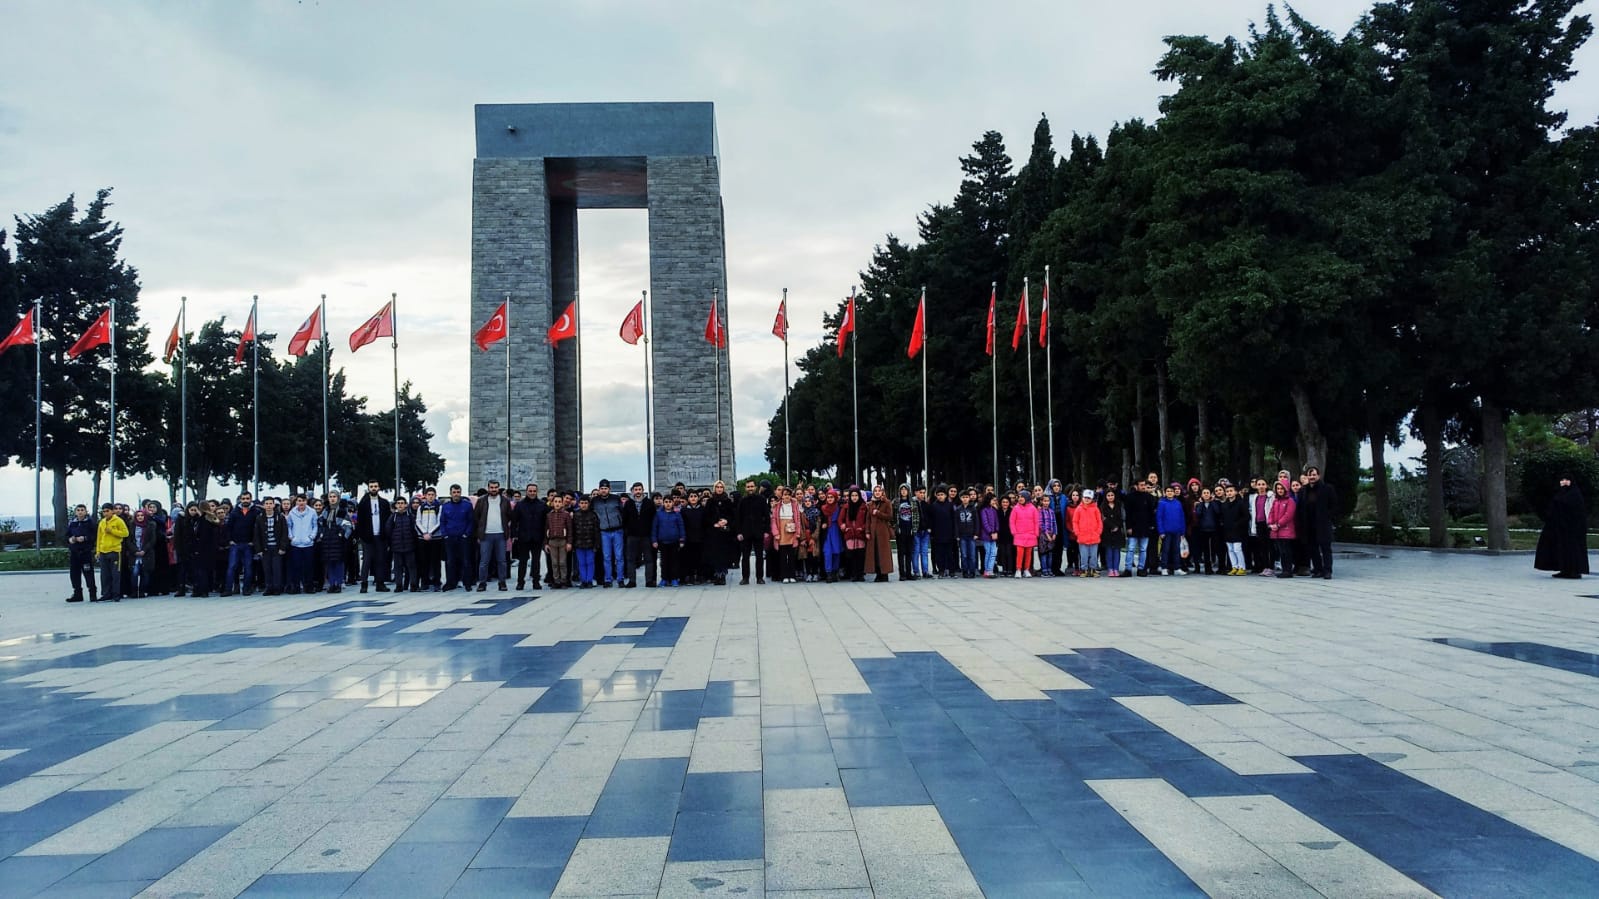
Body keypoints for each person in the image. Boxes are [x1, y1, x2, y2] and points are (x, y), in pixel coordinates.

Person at [1535, 475, 1591, 580]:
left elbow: (1575, 512)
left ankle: (1574, 571)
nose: (1564, 482)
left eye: (1566, 480)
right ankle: (1564, 570)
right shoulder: (1562, 493)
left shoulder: (1574, 495)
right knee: (1561, 548)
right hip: (1561, 528)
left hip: (1572, 529)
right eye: (1562, 480)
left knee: (1572, 549)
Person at [1297, 466, 1338, 580]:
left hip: (1323, 525)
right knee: (1312, 549)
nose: (1312, 477)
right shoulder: (1303, 490)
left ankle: (1327, 570)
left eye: (1314, 475)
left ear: (1318, 476)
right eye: (1310, 475)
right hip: (1308, 525)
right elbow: (1300, 508)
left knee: (1325, 549)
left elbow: (1334, 506)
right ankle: (1318, 569)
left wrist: (1327, 516)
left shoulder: (1327, 488)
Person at [474, 479, 512, 591]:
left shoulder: (505, 501)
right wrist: (478, 533)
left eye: (495, 487)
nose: (493, 489)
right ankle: (482, 583)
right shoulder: (481, 501)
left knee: (502, 561)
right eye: (491, 487)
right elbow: (476, 517)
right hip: (485, 535)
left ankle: (502, 582)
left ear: (498, 488)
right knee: (484, 561)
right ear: (488, 488)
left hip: (500, 534)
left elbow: (509, 515)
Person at [357, 480, 392, 593]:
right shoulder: (363, 503)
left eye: (375, 486)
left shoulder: (384, 503)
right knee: (367, 560)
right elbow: (360, 521)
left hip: (380, 536)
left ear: (379, 488)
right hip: (368, 537)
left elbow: (388, 520)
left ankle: (380, 583)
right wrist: (362, 536)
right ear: (368, 488)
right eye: (371, 486)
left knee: (380, 560)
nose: (373, 488)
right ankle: (364, 583)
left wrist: (386, 535)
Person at [589, 479, 625, 588]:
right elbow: (591, 514)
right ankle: (608, 579)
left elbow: (622, 512)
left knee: (619, 556)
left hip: (617, 530)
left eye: (605, 488)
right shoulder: (595, 501)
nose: (604, 490)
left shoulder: (616, 499)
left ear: (609, 489)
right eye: (602, 488)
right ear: (599, 489)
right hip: (604, 532)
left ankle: (620, 579)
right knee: (607, 557)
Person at [438, 484, 473, 591]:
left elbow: (471, 521)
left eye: (458, 492)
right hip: (450, 538)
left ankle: (467, 583)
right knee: (450, 561)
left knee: (466, 561)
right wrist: (445, 534)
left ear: (461, 493)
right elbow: (442, 521)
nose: (456, 494)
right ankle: (450, 583)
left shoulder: (467, 505)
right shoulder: (445, 506)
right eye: (454, 492)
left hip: (463, 538)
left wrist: (466, 534)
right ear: (450, 493)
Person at [622, 482, 656, 589]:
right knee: (631, 559)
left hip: (646, 536)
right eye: (636, 490)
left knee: (648, 559)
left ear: (643, 490)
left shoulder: (649, 503)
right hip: (632, 536)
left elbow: (653, 519)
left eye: (639, 489)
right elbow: (624, 519)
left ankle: (649, 581)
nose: (638, 492)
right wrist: (628, 532)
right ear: (633, 491)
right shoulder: (628, 504)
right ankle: (632, 581)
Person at [770, 485, 807, 584]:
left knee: (791, 556)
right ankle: (784, 576)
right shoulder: (777, 506)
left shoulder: (794, 505)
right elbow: (773, 520)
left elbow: (798, 520)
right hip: (781, 532)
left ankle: (792, 575)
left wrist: (798, 533)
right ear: (781, 496)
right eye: (785, 494)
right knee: (782, 556)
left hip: (792, 531)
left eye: (788, 495)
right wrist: (776, 533)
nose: (786, 497)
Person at [514, 482, 547, 591]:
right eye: (530, 491)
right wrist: (514, 535)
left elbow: (545, 522)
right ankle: (520, 582)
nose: (532, 493)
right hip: (523, 537)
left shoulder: (542, 505)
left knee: (536, 561)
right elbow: (514, 521)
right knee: (523, 561)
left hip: (537, 537)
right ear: (526, 492)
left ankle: (536, 582)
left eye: (534, 491)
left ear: (537, 492)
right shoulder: (520, 505)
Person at [735, 480, 769, 585]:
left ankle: (760, 577)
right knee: (745, 557)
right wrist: (739, 532)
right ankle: (745, 578)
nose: (750, 488)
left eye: (752, 486)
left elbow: (766, 516)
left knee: (759, 556)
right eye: (748, 487)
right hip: (745, 533)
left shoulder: (762, 500)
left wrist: (766, 531)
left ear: (755, 487)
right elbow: (738, 518)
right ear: (745, 488)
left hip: (759, 532)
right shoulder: (742, 501)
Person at [252, 497, 288, 596]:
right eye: (266, 503)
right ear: (264, 505)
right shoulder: (260, 518)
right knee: (267, 569)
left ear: (273, 505)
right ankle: (269, 587)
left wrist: (282, 547)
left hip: (276, 547)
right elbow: (257, 535)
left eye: (270, 503)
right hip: (265, 548)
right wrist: (258, 549)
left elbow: (284, 533)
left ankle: (277, 587)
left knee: (277, 569)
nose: (268, 506)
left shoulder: (280, 517)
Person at [223, 492, 257, 596]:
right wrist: (230, 540)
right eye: (243, 498)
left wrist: (253, 541)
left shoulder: (255, 512)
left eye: (247, 498)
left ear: (251, 499)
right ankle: (228, 589)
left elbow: (257, 529)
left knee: (248, 567)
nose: (245, 500)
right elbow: (228, 527)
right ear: (240, 500)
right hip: (235, 544)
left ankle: (246, 589)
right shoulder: (234, 512)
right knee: (232, 567)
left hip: (248, 544)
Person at [286, 494, 319, 595]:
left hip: (308, 544)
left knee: (308, 567)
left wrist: (311, 537)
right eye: (299, 501)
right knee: (296, 567)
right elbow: (289, 526)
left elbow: (315, 526)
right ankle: (295, 587)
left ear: (306, 501)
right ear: (296, 502)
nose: (301, 503)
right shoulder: (292, 513)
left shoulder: (312, 512)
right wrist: (291, 537)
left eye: (303, 501)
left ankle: (309, 586)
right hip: (296, 544)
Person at [704, 481, 736, 586]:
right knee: (715, 553)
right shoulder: (710, 501)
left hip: (725, 532)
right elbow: (706, 517)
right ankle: (717, 574)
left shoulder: (728, 501)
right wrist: (714, 523)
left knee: (724, 553)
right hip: (714, 532)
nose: (719, 489)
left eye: (721, 487)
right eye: (717, 487)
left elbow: (733, 515)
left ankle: (723, 574)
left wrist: (726, 521)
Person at [95, 503, 128, 602]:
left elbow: (125, 533)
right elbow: (99, 537)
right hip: (103, 551)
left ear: (112, 511)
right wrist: (98, 551)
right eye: (104, 511)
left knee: (115, 574)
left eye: (107, 511)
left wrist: (113, 531)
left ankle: (116, 594)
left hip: (114, 551)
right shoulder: (102, 522)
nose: (105, 513)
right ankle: (106, 593)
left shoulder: (118, 521)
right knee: (104, 574)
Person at [65, 504, 97, 603]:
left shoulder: (90, 523)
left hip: (85, 552)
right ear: (75, 512)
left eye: (82, 510)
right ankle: (77, 594)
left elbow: (94, 536)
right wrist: (70, 539)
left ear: (86, 511)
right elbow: (66, 536)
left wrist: (85, 538)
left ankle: (92, 594)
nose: (80, 512)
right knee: (74, 574)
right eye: (78, 510)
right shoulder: (72, 523)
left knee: (88, 573)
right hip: (74, 552)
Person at [652, 494, 686, 586]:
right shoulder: (659, 514)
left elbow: (681, 527)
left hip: (674, 541)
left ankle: (674, 578)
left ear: (673, 503)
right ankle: (664, 579)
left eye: (669, 502)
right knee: (664, 562)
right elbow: (655, 527)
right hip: (663, 542)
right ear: (663, 503)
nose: (668, 504)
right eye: (666, 502)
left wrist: (682, 540)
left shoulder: (677, 514)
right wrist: (654, 540)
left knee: (674, 561)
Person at [838, 488, 870, 582]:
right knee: (851, 555)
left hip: (860, 534)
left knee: (860, 555)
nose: (854, 498)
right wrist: (843, 526)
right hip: (850, 534)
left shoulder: (864, 506)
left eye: (856, 495)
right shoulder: (846, 507)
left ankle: (860, 574)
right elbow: (840, 520)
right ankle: (853, 574)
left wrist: (863, 528)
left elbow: (867, 520)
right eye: (852, 496)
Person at [1267, 480, 1297, 578]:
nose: (1280, 490)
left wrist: (1278, 524)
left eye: (1282, 488)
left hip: (1286, 530)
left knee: (1286, 551)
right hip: (1276, 531)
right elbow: (1271, 512)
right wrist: (1270, 523)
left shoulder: (1290, 501)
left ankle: (1288, 570)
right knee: (1281, 551)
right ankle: (1285, 570)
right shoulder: (1276, 501)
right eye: (1278, 488)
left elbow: (1288, 515)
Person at [865, 485, 895, 582]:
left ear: (882, 492)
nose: (877, 492)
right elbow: (868, 519)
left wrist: (878, 513)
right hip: (873, 532)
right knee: (875, 553)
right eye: (875, 491)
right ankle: (878, 573)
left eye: (879, 491)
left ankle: (884, 574)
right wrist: (867, 531)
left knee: (883, 553)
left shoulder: (886, 502)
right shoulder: (870, 504)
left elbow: (890, 516)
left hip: (883, 532)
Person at [414, 487, 442, 591]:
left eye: (432, 494)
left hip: (435, 538)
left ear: (435, 496)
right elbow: (418, 521)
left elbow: (439, 522)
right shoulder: (421, 507)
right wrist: (424, 533)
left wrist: (431, 533)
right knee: (423, 561)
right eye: (428, 494)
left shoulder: (439, 507)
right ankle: (424, 582)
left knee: (436, 562)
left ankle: (436, 582)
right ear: (425, 496)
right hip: (422, 538)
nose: (430, 496)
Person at [388, 496, 418, 592]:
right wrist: (391, 543)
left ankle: (413, 585)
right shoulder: (393, 517)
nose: (400, 505)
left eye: (402, 503)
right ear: (396, 505)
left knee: (411, 566)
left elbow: (414, 531)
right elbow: (388, 530)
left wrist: (414, 543)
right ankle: (399, 585)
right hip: (397, 547)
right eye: (398, 503)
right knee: (398, 567)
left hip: (409, 546)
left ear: (406, 505)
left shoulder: (410, 517)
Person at [1156, 484, 1187, 576]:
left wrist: (1182, 531)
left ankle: (1177, 567)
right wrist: (1161, 531)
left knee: (1176, 550)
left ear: (1174, 493)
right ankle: (1164, 567)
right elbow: (1159, 518)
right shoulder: (1162, 503)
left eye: (1171, 491)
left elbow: (1182, 517)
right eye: (1168, 491)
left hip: (1177, 531)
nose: (1170, 493)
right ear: (1165, 493)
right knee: (1165, 550)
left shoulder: (1178, 503)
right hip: (1166, 531)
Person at [1071, 489, 1103, 578]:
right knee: (1084, 555)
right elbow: (1075, 521)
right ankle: (1084, 569)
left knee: (1093, 555)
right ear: (1082, 498)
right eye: (1085, 497)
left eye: (1089, 498)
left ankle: (1093, 569)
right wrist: (1077, 532)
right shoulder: (1079, 509)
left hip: (1094, 536)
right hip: (1082, 537)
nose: (1087, 499)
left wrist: (1098, 532)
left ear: (1092, 499)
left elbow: (1099, 521)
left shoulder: (1095, 509)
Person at [1219, 483, 1249, 576]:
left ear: (1235, 492)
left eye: (1231, 491)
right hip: (1227, 530)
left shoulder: (1240, 503)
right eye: (1227, 491)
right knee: (1230, 549)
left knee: (1237, 549)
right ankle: (1234, 567)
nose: (1229, 493)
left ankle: (1242, 567)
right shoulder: (1224, 505)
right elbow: (1222, 517)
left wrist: (1238, 524)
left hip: (1238, 531)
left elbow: (1246, 516)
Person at [321, 504, 353, 593]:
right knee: (330, 563)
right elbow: (321, 524)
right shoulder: (325, 511)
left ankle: (338, 583)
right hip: (328, 541)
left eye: (334, 496)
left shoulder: (342, 511)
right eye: (330, 497)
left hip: (339, 541)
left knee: (339, 563)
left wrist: (343, 536)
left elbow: (348, 526)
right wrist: (322, 535)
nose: (332, 499)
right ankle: (331, 584)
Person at [572, 494, 601, 589]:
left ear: (589, 504)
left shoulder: (593, 515)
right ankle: (583, 580)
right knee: (581, 563)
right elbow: (573, 530)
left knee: (590, 562)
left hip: (590, 543)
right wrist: (573, 543)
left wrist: (596, 544)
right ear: (579, 504)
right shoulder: (576, 515)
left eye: (585, 503)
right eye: (582, 503)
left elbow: (596, 530)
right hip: (579, 543)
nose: (584, 505)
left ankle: (589, 580)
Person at [1009, 491, 1040, 578]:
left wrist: (1036, 533)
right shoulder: (1016, 508)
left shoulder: (1033, 508)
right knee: (1019, 553)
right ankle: (1018, 569)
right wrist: (1014, 532)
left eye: (1022, 497)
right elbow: (1012, 521)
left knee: (1028, 554)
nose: (1020, 498)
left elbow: (1036, 522)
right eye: (1019, 497)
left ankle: (1026, 569)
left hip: (1030, 534)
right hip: (1019, 535)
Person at [1100, 487, 1127, 578]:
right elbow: (1103, 518)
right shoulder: (1102, 506)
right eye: (1108, 495)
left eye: (1112, 495)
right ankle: (1110, 569)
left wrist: (1117, 527)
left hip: (1118, 530)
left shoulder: (1119, 505)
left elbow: (1122, 518)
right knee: (1109, 550)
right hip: (1107, 531)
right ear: (1105, 496)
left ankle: (1116, 569)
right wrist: (1112, 526)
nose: (1110, 497)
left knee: (1116, 550)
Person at [894, 485, 918, 582]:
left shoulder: (913, 502)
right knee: (901, 553)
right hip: (900, 531)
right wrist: (896, 527)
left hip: (910, 530)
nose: (903, 491)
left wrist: (914, 529)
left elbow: (916, 516)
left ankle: (909, 573)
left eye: (905, 489)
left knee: (909, 553)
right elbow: (893, 516)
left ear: (908, 491)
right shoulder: (896, 502)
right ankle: (902, 574)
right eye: (902, 490)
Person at [956, 490, 980, 579]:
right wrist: (957, 535)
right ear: (960, 498)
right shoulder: (958, 509)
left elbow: (977, 521)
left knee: (972, 554)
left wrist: (976, 533)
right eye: (963, 497)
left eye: (966, 497)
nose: (965, 499)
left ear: (969, 498)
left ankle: (972, 571)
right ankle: (965, 571)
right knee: (964, 554)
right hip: (962, 536)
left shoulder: (973, 508)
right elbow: (956, 523)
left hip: (971, 535)